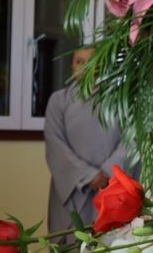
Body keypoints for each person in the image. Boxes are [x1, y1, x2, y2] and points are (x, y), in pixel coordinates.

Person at [45, 48, 130, 233]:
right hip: (72, 187)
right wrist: (87, 176)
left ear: (101, 66)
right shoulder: (58, 101)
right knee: (70, 243)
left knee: (111, 241)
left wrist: (108, 173)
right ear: (72, 66)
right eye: (79, 62)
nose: (84, 67)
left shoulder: (120, 101)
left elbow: (130, 141)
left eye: (91, 62)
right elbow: (55, 144)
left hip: (111, 187)